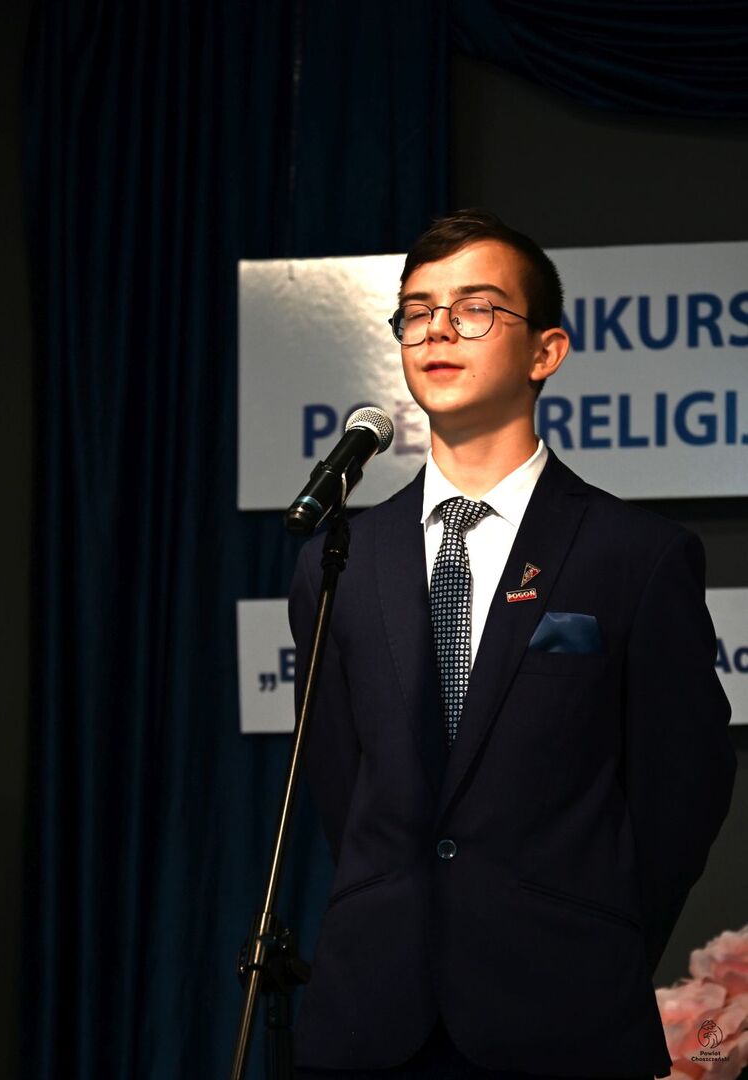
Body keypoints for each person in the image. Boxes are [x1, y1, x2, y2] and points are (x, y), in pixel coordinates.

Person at [288, 210, 736, 1080]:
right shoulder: (341, 559)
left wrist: (596, 932)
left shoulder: (634, 555)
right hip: (373, 1017)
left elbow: (682, 785)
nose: (438, 330)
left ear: (546, 351)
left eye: (475, 308)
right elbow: (344, 784)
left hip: (564, 1008)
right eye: (418, 312)